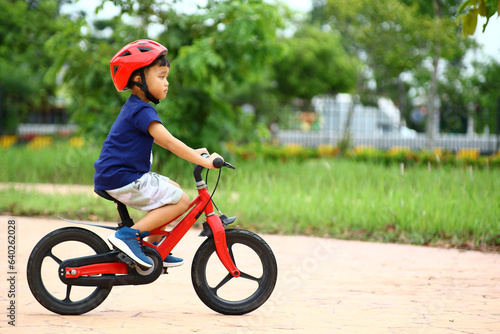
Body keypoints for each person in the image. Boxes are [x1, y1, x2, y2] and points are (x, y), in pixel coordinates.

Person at [94, 40, 223, 269]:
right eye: (161, 76)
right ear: (138, 79)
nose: (167, 82)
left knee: (172, 189)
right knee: (181, 200)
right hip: (122, 177)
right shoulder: (141, 110)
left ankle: (151, 249)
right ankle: (129, 237)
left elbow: (164, 141)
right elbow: (170, 143)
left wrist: (194, 153)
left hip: (120, 176)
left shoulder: (137, 108)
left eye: (166, 77)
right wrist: (204, 161)